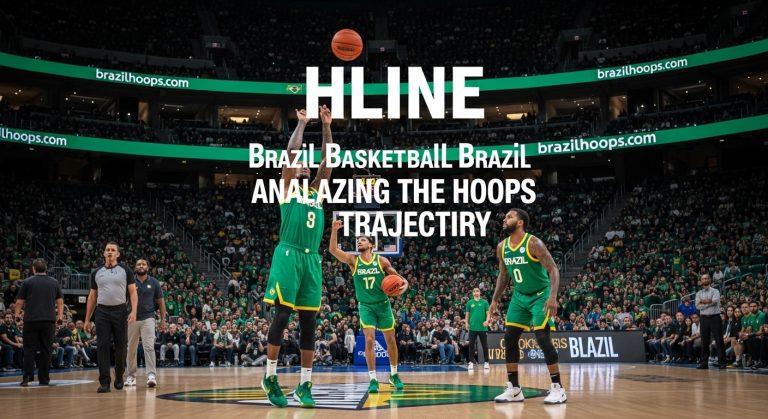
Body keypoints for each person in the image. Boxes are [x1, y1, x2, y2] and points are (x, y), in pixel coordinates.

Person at [261, 106, 334, 408]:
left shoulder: (318, 192)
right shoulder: (288, 188)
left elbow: (327, 163)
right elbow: (291, 155)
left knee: (309, 324)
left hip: (311, 260)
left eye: (308, 167)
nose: (305, 167)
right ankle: (270, 376)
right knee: (281, 315)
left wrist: (327, 126)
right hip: (288, 254)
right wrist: (303, 123)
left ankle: (305, 384)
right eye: (301, 167)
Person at [488, 208, 567, 404]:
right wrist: (495, 300)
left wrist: (553, 296)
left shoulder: (533, 243)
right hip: (519, 296)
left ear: (521, 222)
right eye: (505, 217)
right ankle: (514, 389)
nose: (505, 219)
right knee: (510, 337)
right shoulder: (502, 247)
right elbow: (504, 276)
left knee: (542, 337)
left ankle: (558, 388)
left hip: (540, 295)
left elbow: (553, 269)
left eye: (509, 216)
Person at [329, 220, 408, 393]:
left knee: (391, 341)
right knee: (370, 339)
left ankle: (394, 374)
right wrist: (334, 230)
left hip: (383, 305)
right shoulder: (353, 261)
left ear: (372, 245)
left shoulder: (382, 261)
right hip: (366, 306)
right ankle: (373, 379)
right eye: (358, 240)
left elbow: (399, 280)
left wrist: (404, 285)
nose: (359, 242)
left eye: (363, 240)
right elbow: (333, 250)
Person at [83, 242, 139, 393]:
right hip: (101, 312)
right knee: (102, 346)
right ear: (103, 253)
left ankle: (119, 375)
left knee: (121, 346)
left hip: (120, 311)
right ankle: (104, 382)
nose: (110, 252)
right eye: (107, 250)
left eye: (113, 250)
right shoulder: (96, 272)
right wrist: (87, 319)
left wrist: (133, 312)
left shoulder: (125, 270)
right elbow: (92, 296)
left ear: (118, 254)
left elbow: (133, 292)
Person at [13, 258, 63, 386]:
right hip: (49, 321)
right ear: (46, 269)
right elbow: (60, 301)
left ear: (33, 269)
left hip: (31, 320)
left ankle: (27, 378)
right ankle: (44, 379)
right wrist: (60, 316)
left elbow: (19, 301)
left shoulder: (27, 282)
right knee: (47, 350)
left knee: (29, 349)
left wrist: (17, 315)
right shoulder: (54, 282)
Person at [125, 259, 165, 387]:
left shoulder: (154, 282)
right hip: (132, 318)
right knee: (131, 348)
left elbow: (161, 301)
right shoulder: (129, 281)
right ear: (135, 267)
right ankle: (131, 376)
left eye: (143, 264)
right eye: (138, 264)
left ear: (147, 267)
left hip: (148, 318)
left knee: (149, 347)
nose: (141, 266)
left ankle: (151, 375)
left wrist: (163, 320)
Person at [694, 274, 725, 369]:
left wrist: (703, 302)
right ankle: (704, 363)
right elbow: (697, 306)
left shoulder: (715, 291)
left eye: (707, 278)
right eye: (703, 278)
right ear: (701, 281)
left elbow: (715, 301)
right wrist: (708, 302)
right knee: (704, 341)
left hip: (715, 317)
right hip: (703, 318)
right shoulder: (698, 293)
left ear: (710, 280)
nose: (705, 279)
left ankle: (722, 363)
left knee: (719, 340)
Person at [465, 287, 491, 370]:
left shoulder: (485, 302)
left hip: (483, 328)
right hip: (472, 327)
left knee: (485, 345)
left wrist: (487, 321)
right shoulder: (469, 303)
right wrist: (466, 323)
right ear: (472, 293)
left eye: (477, 291)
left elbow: (488, 313)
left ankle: (486, 362)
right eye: (474, 291)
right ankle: (471, 362)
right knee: (471, 345)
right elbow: (467, 314)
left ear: (480, 293)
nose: (476, 293)